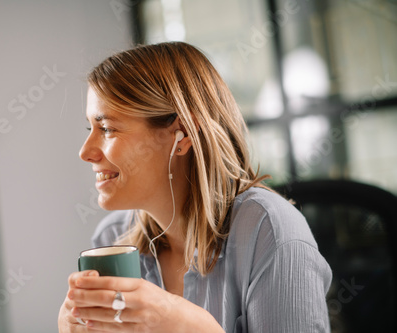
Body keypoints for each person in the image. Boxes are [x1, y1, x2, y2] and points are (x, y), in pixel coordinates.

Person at [58, 42, 332, 333]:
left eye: (108, 129)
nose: (85, 152)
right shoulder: (113, 237)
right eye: (91, 129)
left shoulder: (268, 231)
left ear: (183, 133)